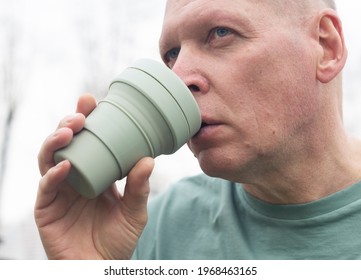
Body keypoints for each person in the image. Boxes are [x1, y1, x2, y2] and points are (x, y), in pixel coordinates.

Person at [35, 0, 361, 259]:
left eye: (220, 33)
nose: (180, 76)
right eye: (172, 54)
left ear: (325, 46)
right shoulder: (153, 230)